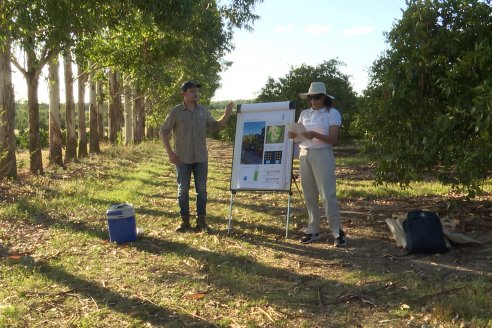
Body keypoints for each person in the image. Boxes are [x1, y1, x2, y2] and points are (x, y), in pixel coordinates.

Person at [160, 80, 234, 233]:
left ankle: (201, 222)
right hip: (182, 158)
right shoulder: (176, 112)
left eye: (196, 91)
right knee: (183, 190)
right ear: (184, 93)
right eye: (192, 91)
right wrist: (170, 153)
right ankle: (184, 222)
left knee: (202, 190)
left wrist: (226, 114)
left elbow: (214, 126)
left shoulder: (203, 111)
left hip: (201, 157)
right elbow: (164, 131)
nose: (196, 94)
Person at [287, 82, 346, 247]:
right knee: (309, 195)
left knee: (327, 194)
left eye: (317, 98)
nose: (313, 101)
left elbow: (333, 139)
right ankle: (313, 229)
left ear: (324, 98)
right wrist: (293, 135)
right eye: (310, 98)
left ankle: (337, 231)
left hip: (322, 154)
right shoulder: (304, 113)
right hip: (304, 154)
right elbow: (298, 134)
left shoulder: (332, 113)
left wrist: (314, 134)